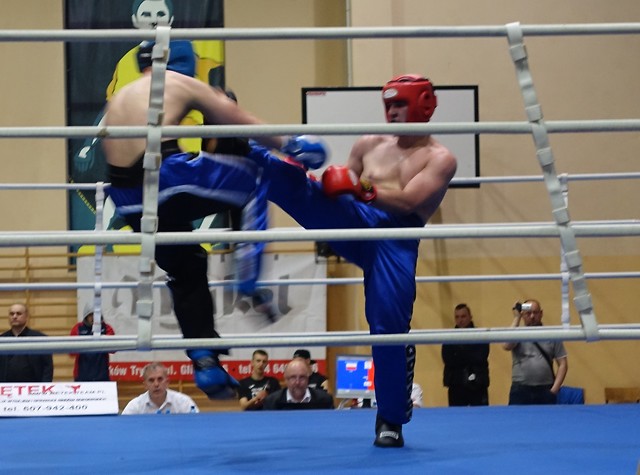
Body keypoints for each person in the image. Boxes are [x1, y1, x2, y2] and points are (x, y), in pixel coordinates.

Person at [248, 74, 457, 447]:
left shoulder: (440, 158)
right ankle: (244, 150)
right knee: (299, 185)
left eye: (400, 104)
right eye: (389, 105)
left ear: (423, 106)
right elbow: (343, 190)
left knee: (388, 327)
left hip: (397, 239)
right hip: (355, 219)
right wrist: (329, 183)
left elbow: (409, 201)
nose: (393, 112)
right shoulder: (368, 143)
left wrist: (362, 188)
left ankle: (390, 420)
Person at [102, 41, 319, 400]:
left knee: (186, 266)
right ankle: (247, 278)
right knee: (252, 180)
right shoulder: (177, 82)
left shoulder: (121, 97)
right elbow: (237, 119)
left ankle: (205, 361)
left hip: (127, 200)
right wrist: (291, 144)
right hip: (164, 179)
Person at [503, 299, 568, 405]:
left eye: (535, 312)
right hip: (520, 390)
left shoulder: (552, 334)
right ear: (523, 315)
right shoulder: (516, 334)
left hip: (545, 389)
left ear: (541, 313)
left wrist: (554, 390)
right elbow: (506, 345)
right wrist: (516, 317)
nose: (532, 316)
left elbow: (563, 364)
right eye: (528, 313)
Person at [441, 303, 490, 406]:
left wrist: (458, 355)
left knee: (481, 415)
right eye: (457, 317)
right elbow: (448, 359)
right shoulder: (448, 337)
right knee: (456, 415)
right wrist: (469, 355)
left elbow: (481, 357)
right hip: (456, 385)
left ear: (470, 317)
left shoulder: (481, 335)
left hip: (478, 384)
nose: (460, 320)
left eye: (463, 316)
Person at [0, 303, 54, 382]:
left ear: (26, 316)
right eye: (12, 314)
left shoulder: (40, 339)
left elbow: (47, 367)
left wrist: (44, 386)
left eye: (19, 313)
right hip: (6, 387)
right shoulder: (2, 339)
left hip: (33, 386)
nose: (14, 316)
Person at [122, 362, 199, 414]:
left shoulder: (184, 402)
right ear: (145, 385)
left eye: (160, 379)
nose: (156, 384)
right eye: (151, 380)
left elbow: (197, 425)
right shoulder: (135, 406)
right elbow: (123, 428)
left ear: (167, 382)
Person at [263, 358, 334, 410]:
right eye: (293, 377)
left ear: (308, 379)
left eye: (302, 377)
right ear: (286, 380)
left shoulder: (324, 400)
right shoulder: (272, 402)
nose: (297, 382)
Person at [69, 307, 116, 382]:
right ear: (86, 316)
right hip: (82, 376)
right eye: (91, 315)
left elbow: (113, 349)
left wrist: (101, 338)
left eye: (96, 315)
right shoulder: (78, 328)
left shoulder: (107, 328)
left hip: (102, 376)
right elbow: (71, 353)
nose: (93, 317)